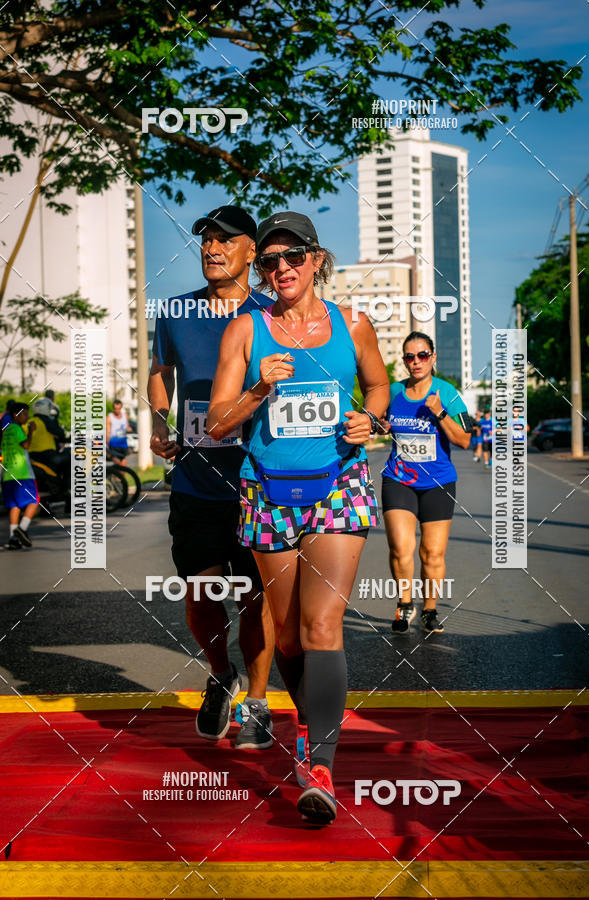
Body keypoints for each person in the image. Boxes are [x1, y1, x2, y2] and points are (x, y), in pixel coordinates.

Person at [207, 211, 389, 824]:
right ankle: (311, 725)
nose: (281, 269)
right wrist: (257, 391)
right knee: (286, 634)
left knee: (321, 626)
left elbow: (378, 387)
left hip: (337, 485)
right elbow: (215, 423)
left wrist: (373, 422)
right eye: (269, 262)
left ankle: (320, 765)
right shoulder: (245, 331)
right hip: (267, 492)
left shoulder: (354, 324)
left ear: (316, 259)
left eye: (293, 257)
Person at [148, 205, 276, 751]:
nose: (212, 249)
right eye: (205, 241)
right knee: (202, 592)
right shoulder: (176, 312)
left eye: (225, 240)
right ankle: (221, 673)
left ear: (253, 250)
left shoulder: (274, 314)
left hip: (258, 480)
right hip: (196, 479)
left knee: (254, 599)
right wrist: (159, 423)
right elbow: (159, 375)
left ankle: (260, 703)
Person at [381, 332, 472, 636]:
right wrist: (380, 425)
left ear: (433, 357)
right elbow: (377, 421)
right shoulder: (393, 391)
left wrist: (440, 412)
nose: (415, 362)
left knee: (432, 553)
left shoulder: (448, 392)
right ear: (404, 360)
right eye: (409, 356)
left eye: (422, 355)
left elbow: (464, 440)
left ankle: (429, 610)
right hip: (399, 480)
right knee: (401, 548)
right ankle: (405, 604)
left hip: (438, 483)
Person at [1, 401, 39, 549]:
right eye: (24, 414)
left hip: (8, 473)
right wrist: (30, 432)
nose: (26, 417)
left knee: (15, 506)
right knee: (35, 500)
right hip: (22, 473)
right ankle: (22, 529)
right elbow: (26, 445)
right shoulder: (17, 428)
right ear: (16, 415)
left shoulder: (6, 429)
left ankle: (13, 538)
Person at [28, 397, 69, 481]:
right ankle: (67, 486)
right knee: (70, 456)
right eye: (50, 408)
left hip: (31, 455)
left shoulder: (29, 421)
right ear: (45, 409)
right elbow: (60, 434)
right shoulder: (46, 421)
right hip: (47, 455)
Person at [106, 399, 131, 465]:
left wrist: (129, 429)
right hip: (113, 443)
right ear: (113, 408)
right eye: (115, 408)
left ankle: (120, 475)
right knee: (117, 463)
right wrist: (107, 443)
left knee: (123, 464)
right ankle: (115, 474)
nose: (117, 410)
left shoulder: (125, 415)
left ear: (121, 407)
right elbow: (107, 431)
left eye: (119, 408)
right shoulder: (109, 417)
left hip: (123, 443)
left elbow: (127, 427)